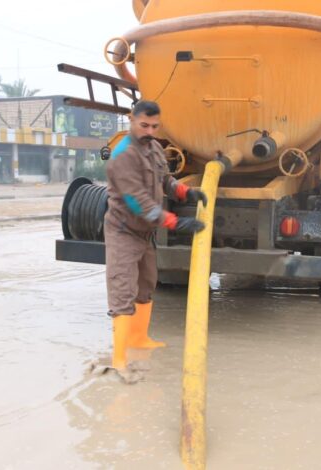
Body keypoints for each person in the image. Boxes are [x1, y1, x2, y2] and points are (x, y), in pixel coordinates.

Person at [104, 100, 206, 376]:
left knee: (147, 283)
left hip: (145, 232)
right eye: (144, 125)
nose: (149, 131)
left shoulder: (155, 148)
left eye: (154, 126)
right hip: (123, 230)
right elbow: (138, 203)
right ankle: (119, 358)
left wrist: (185, 192)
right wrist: (175, 221)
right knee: (122, 290)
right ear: (131, 119)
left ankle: (139, 339)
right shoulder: (123, 155)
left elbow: (165, 180)